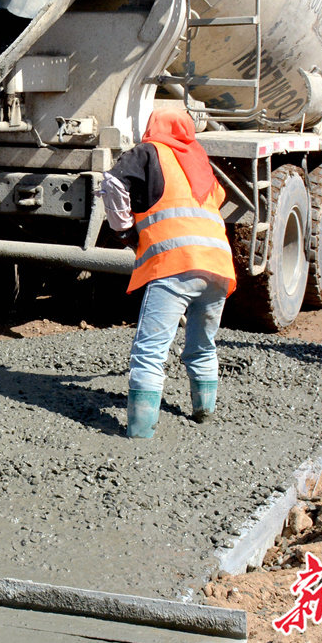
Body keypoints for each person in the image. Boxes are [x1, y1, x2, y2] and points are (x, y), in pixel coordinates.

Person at [101, 107, 235, 439]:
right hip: (218, 267)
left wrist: (123, 231)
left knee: (150, 351)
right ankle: (203, 413)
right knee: (203, 345)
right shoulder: (199, 161)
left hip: (175, 266)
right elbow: (218, 199)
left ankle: (140, 432)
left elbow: (113, 181)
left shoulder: (149, 152)